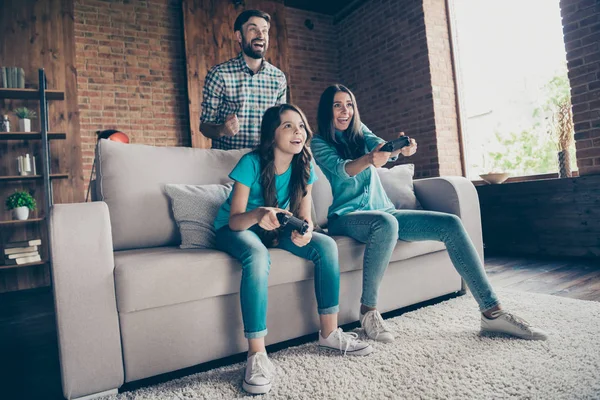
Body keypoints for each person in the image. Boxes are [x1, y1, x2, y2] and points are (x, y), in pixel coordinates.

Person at [311, 84, 548, 343]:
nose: (345, 111)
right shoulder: (319, 142)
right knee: (386, 223)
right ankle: (368, 312)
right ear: (327, 111)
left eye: (349, 104)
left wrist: (399, 149)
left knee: (450, 224)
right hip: (346, 218)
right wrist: (369, 159)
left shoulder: (360, 131)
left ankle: (492, 312)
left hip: (384, 212)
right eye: (337, 105)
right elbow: (342, 169)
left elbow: (381, 148)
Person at [213, 104, 373, 395]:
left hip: (275, 225)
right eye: (287, 126)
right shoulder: (251, 162)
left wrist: (306, 230)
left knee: (325, 245)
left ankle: (329, 333)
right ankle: (257, 355)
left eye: (300, 125)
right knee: (257, 256)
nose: (297, 131)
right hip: (236, 227)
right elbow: (235, 220)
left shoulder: (305, 164)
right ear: (272, 135)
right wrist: (259, 213)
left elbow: (305, 215)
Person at [200, 9, 287, 150]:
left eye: (264, 31)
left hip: (265, 161)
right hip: (228, 162)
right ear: (239, 36)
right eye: (253, 29)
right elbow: (205, 127)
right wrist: (222, 129)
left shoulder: (279, 78)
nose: (260, 35)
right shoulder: (219, 74)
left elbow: (280, 123)